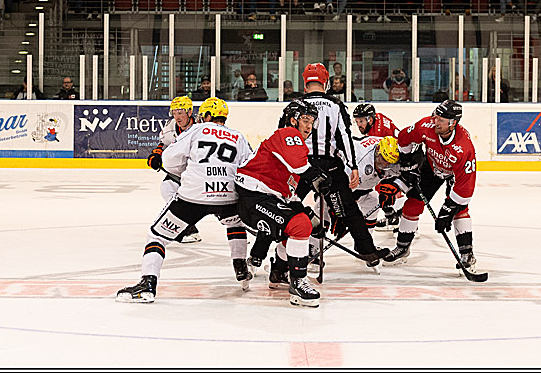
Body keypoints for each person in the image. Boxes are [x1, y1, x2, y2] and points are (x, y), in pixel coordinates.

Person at [117, 97, 254, 304]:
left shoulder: (195, 131)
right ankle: (240, 267)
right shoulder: (238, 136)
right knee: (235, 224)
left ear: (206, 116)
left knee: (156, 235)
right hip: (228, 194)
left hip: (194, 195)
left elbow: (170, 160)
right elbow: (249, 165)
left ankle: (148, 284)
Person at [287, 63, 388, 268]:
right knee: (350, 210)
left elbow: (284, 137)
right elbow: (345, 138)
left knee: (286, 205)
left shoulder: (294, 105)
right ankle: (368, 251)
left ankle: (277, 259)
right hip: (330, 166)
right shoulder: (336, 105)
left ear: (305, 83)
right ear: (325, 83)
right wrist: (353, 167)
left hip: (300, 165)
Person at [235, 99, 330, 307]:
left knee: (301, 224)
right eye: (305, 119)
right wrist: (316, 176)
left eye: (312, 121)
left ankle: (278, 273)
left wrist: (304, 211)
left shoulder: (294, 146)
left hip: (265, 198)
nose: (309, 125)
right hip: (253, 196)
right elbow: (299, 167)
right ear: (292, 120)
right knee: (299, 225)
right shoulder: (287, 134)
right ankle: (298, 283)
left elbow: (288, 191)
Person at [384, 100, 478, 269]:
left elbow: (465, 188)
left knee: (460, 211)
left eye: (441, 120)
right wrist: (407, 164)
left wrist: (448, 209)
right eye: (436, 117)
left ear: (453, 123)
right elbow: (404, 138)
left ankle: (467, 253)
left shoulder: (463, 148)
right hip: (431, 166)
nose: (436, 122)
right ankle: (402, 247)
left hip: (454, 175)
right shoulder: (426, 126)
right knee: (412, 203)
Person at [147, 96, 201, 243]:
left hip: (200, 172)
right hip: (181, 171)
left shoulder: (201, 128)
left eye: (181, 112)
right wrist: (156, 155)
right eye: (174, 112)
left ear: (190, 112)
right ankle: (189, 228)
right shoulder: (170, 126)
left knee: (216, 201)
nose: (177, 117)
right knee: (167, 188)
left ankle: (238, 228)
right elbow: (163, 144)